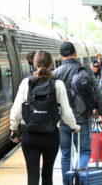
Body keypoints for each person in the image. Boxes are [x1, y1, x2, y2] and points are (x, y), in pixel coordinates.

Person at [9, 50, 80, 185]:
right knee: (48, 173)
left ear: (34, 63)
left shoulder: (26, 83)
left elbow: (16, 109)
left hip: (30, 135)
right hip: (51, 136)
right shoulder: (58, 84)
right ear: (52, 64)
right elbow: (66, 111)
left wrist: (13, 128)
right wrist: (74, 126)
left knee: (32, 175)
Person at [53, 42, 102, 185]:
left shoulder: (56, 73)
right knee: (84, 151)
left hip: (63, 119)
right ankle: (77, 179)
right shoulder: (85, 70)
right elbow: (98, 92)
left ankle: (67, 182)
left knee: (65, 154)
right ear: (75, 54)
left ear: (60, 56)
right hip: (82, 117)